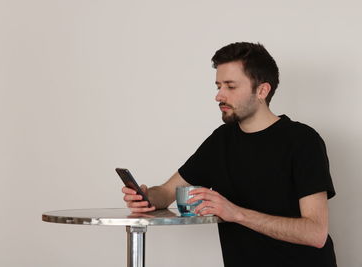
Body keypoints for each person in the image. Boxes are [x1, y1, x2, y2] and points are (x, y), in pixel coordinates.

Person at [122, 42, 337, 267]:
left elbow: (315, 232)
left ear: (262, 90)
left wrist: (236, 213)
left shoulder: (302, 140)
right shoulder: (221, 140)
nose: (219, 96)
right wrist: (146, 198)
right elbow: (167, 192)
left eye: (230, 87)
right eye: (218, 86)